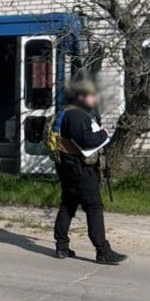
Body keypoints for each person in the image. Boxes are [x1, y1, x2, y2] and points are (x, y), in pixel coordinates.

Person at [52, 79, 127, 265]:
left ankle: (62, 246)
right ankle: (103, 251)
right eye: (92, 95)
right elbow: (86, 141)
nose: (95, 99)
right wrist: (103, 134)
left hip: (68, 168)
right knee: (94, 207)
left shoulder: (66, 112)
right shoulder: (76, 115)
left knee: (68, 205)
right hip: (80, 170)